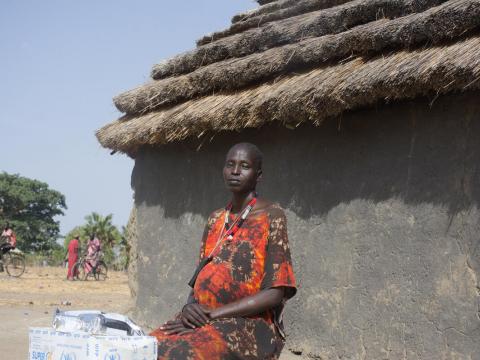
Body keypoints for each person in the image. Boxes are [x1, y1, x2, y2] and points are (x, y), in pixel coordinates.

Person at [150, 143, 297, 359]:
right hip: (204, 317)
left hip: (249, 325)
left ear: (259, 175)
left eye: (244, 166)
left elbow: (276, 293)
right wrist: (189, 308)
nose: (235, 171)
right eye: (230, 164)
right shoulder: (215, 219)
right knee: (147, 346)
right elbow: (200, 278)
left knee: (183, 354)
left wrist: (214, 315)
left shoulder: (271, 216)